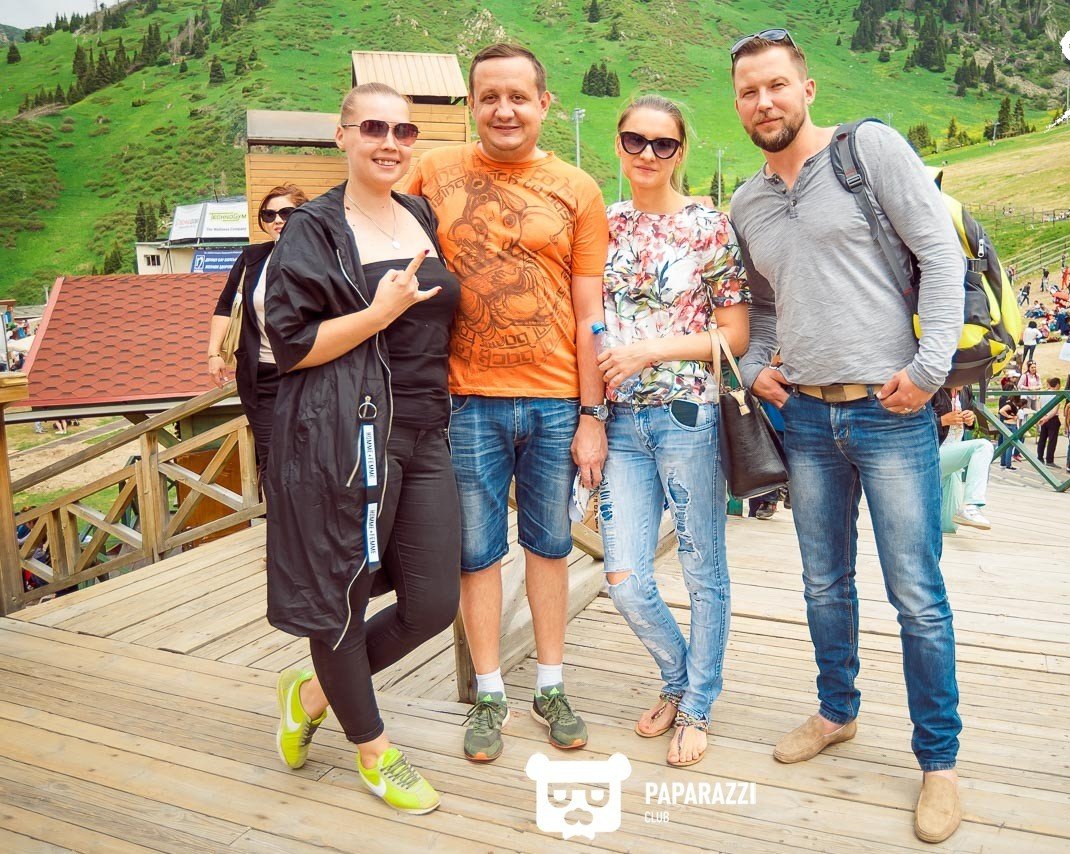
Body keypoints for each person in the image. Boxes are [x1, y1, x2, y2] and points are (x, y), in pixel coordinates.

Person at [728, 30, 965, 843]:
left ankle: (939, 762)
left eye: (776, 85)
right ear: (738, 105)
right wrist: (753, 367)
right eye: (749, 91)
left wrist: (930, 370)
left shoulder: (869, 151)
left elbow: (941, 256)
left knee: (916, 595)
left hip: (891, 410)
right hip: (806, 416)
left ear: (807, 88)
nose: (764, 102)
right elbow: (764, 306)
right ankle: (837, 713)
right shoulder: (747, 203)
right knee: (823, 583)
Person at [263, 82, 462, 815]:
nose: (390, 142)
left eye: (404, 130)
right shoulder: (313, 229)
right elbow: (290, 345)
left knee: (433, 602)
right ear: (341, 135)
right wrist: (376, 315)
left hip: (427, 430)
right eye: (374, 127)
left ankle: (311, 694)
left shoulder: (418, 214)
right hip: (349, 437)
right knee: (341, 595)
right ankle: (374, 750)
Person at [406, 43, 608, 762]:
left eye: (518, 97)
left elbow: (590, 312)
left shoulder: (578, 188)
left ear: (544, 103)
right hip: (465, 400)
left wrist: (593, 414)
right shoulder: (433, 171)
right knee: (477, 553)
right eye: (489, 97)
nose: (504, 110)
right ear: (471, 104)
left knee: (550, 546)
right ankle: (489, 692)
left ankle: (551, 685)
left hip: (555, 401)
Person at [594, 95, 750, 767]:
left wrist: (650, 351)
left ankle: (697, 704)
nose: (648, 154)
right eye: (636, 140)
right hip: (620, 422)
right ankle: (680, 678)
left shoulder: (708, 225)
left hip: (689, 416)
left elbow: (735, 334)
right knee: (624, 578)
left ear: (680, 152)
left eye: (664, 144)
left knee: (701, 568)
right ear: (619, 144)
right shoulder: (604, 223)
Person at [208, 184, 309, 475]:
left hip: (307, 375)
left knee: (309, 460)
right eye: (269, 214)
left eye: (286, 213)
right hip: (261, 377)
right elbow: (225, 305)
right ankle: (275, 507)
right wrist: (214, 353)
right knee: (272, 462)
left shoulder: (319, 257)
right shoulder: (252, 259)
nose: (277, 220)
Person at [932, 385, 993, 531]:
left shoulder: (966, 389)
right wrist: (942, 421)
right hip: (931, 455)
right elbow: (912, 424)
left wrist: (971, 419)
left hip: (954, 463)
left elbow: (971, 418)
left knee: (949, 526)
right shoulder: (932, 386)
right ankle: (972, 505)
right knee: (983, 446)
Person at [1036, 377, 1063, 467]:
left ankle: (1039, 457)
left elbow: (1039, 407)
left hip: (1043, 417)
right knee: (1052, 440)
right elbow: (1055, 411)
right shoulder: (1056, 395)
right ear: (1057, 385)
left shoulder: (1043, 394)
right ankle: (1049, 460)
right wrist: (1047, 418)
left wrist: (1043, 417)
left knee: (1042, 439)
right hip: (1052, 419)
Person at [997, 395, 1021, 469]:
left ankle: (1003, 463)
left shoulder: (1009, 403)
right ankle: (1008, 465)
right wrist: (1010, 416)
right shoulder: (1010, 405)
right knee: (1010, 446)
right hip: (1011, 425)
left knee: (1005, 445)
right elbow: (1001, 411)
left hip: (1006, 425)